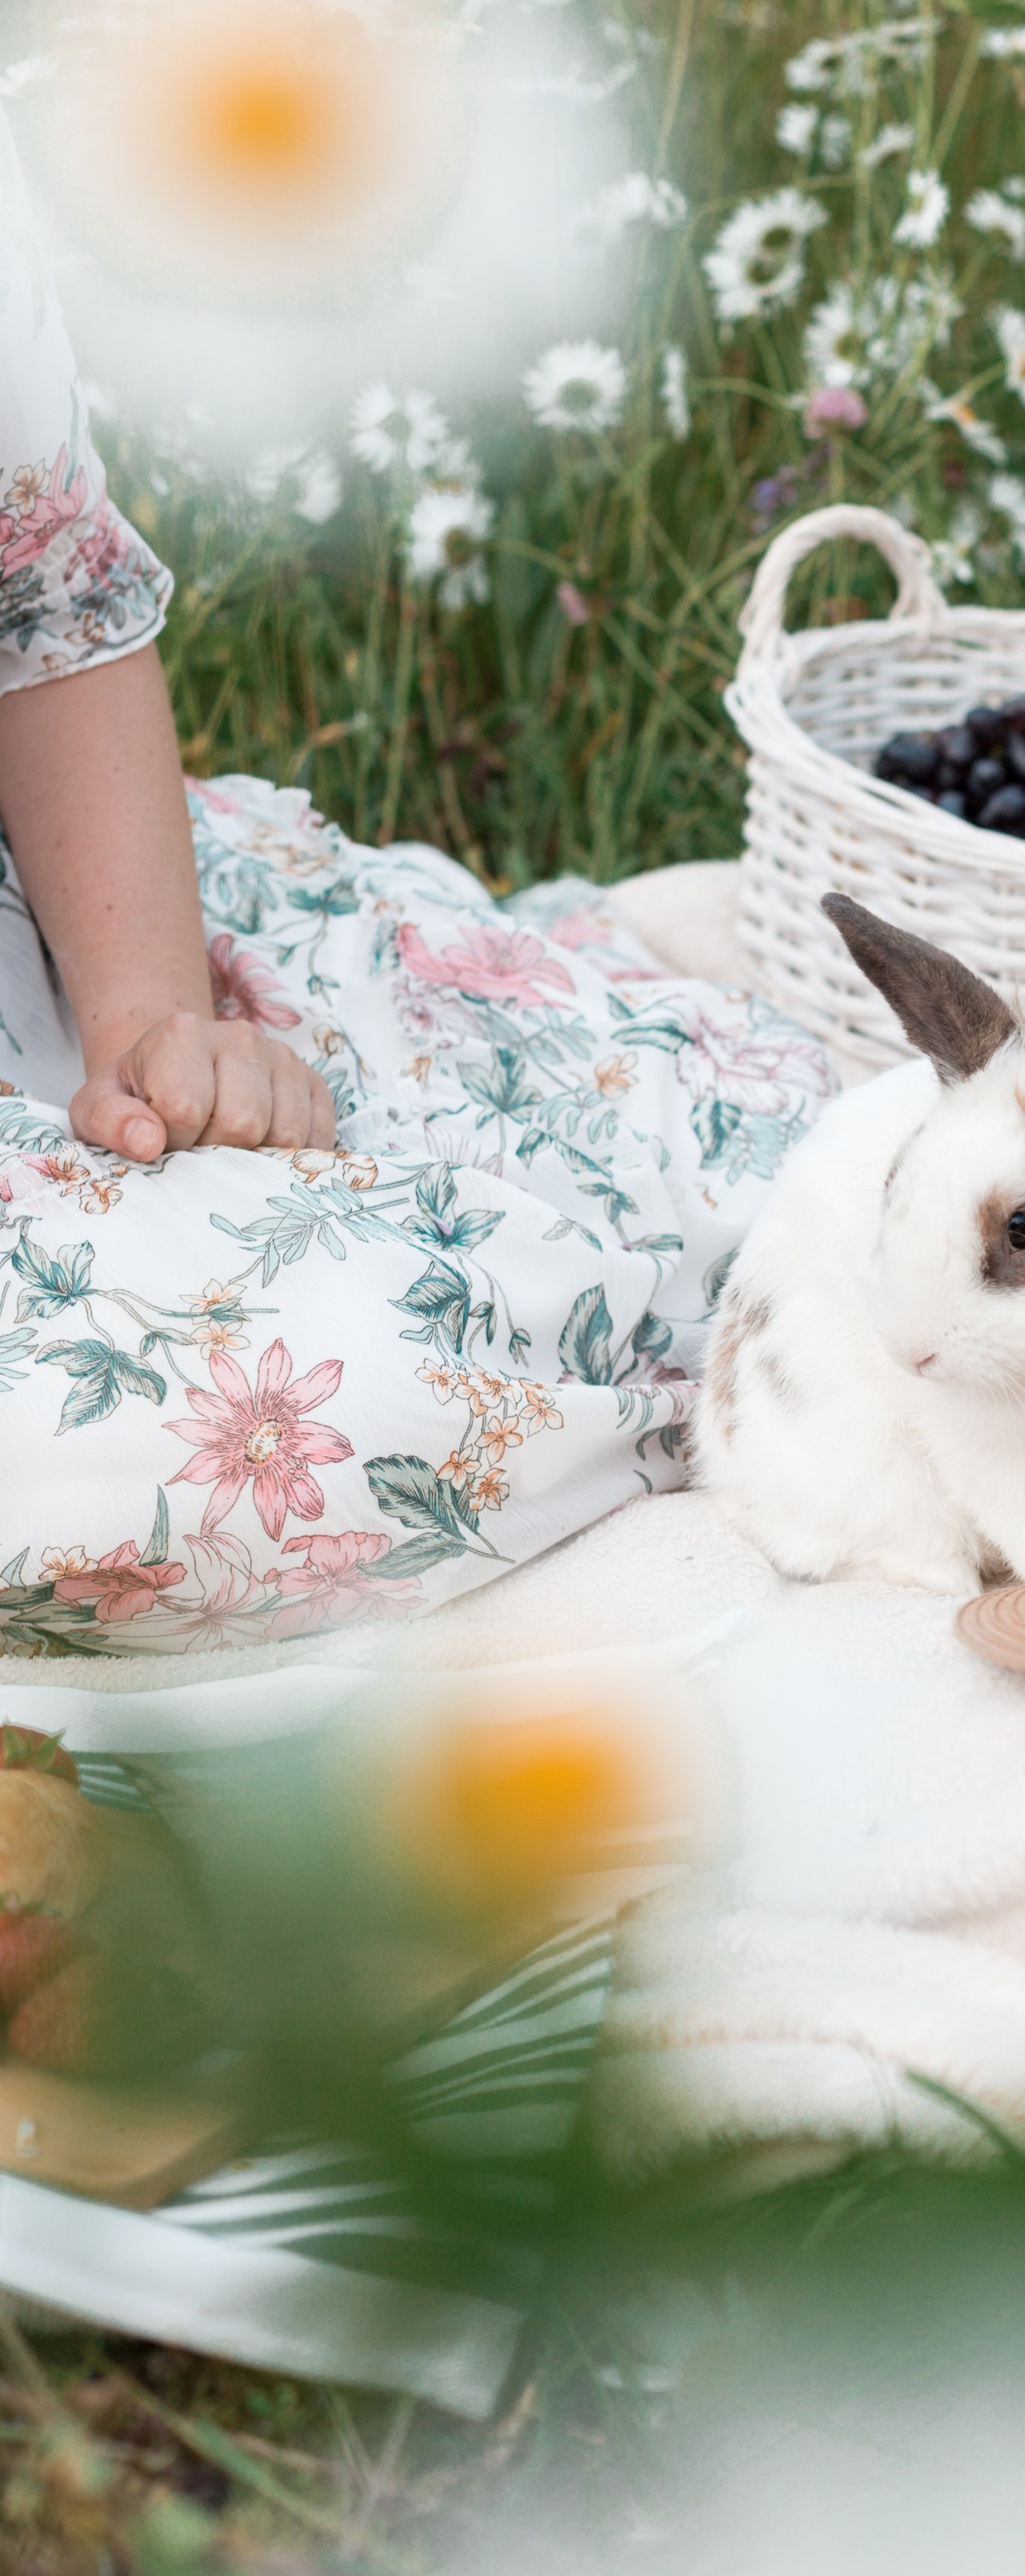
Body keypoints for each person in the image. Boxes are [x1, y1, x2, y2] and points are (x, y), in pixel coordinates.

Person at [0, 120, 834, 1654]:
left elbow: (50, 619)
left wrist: (155, 1027)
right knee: (223, 1452)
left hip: (44, 940)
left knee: (742, 1179)